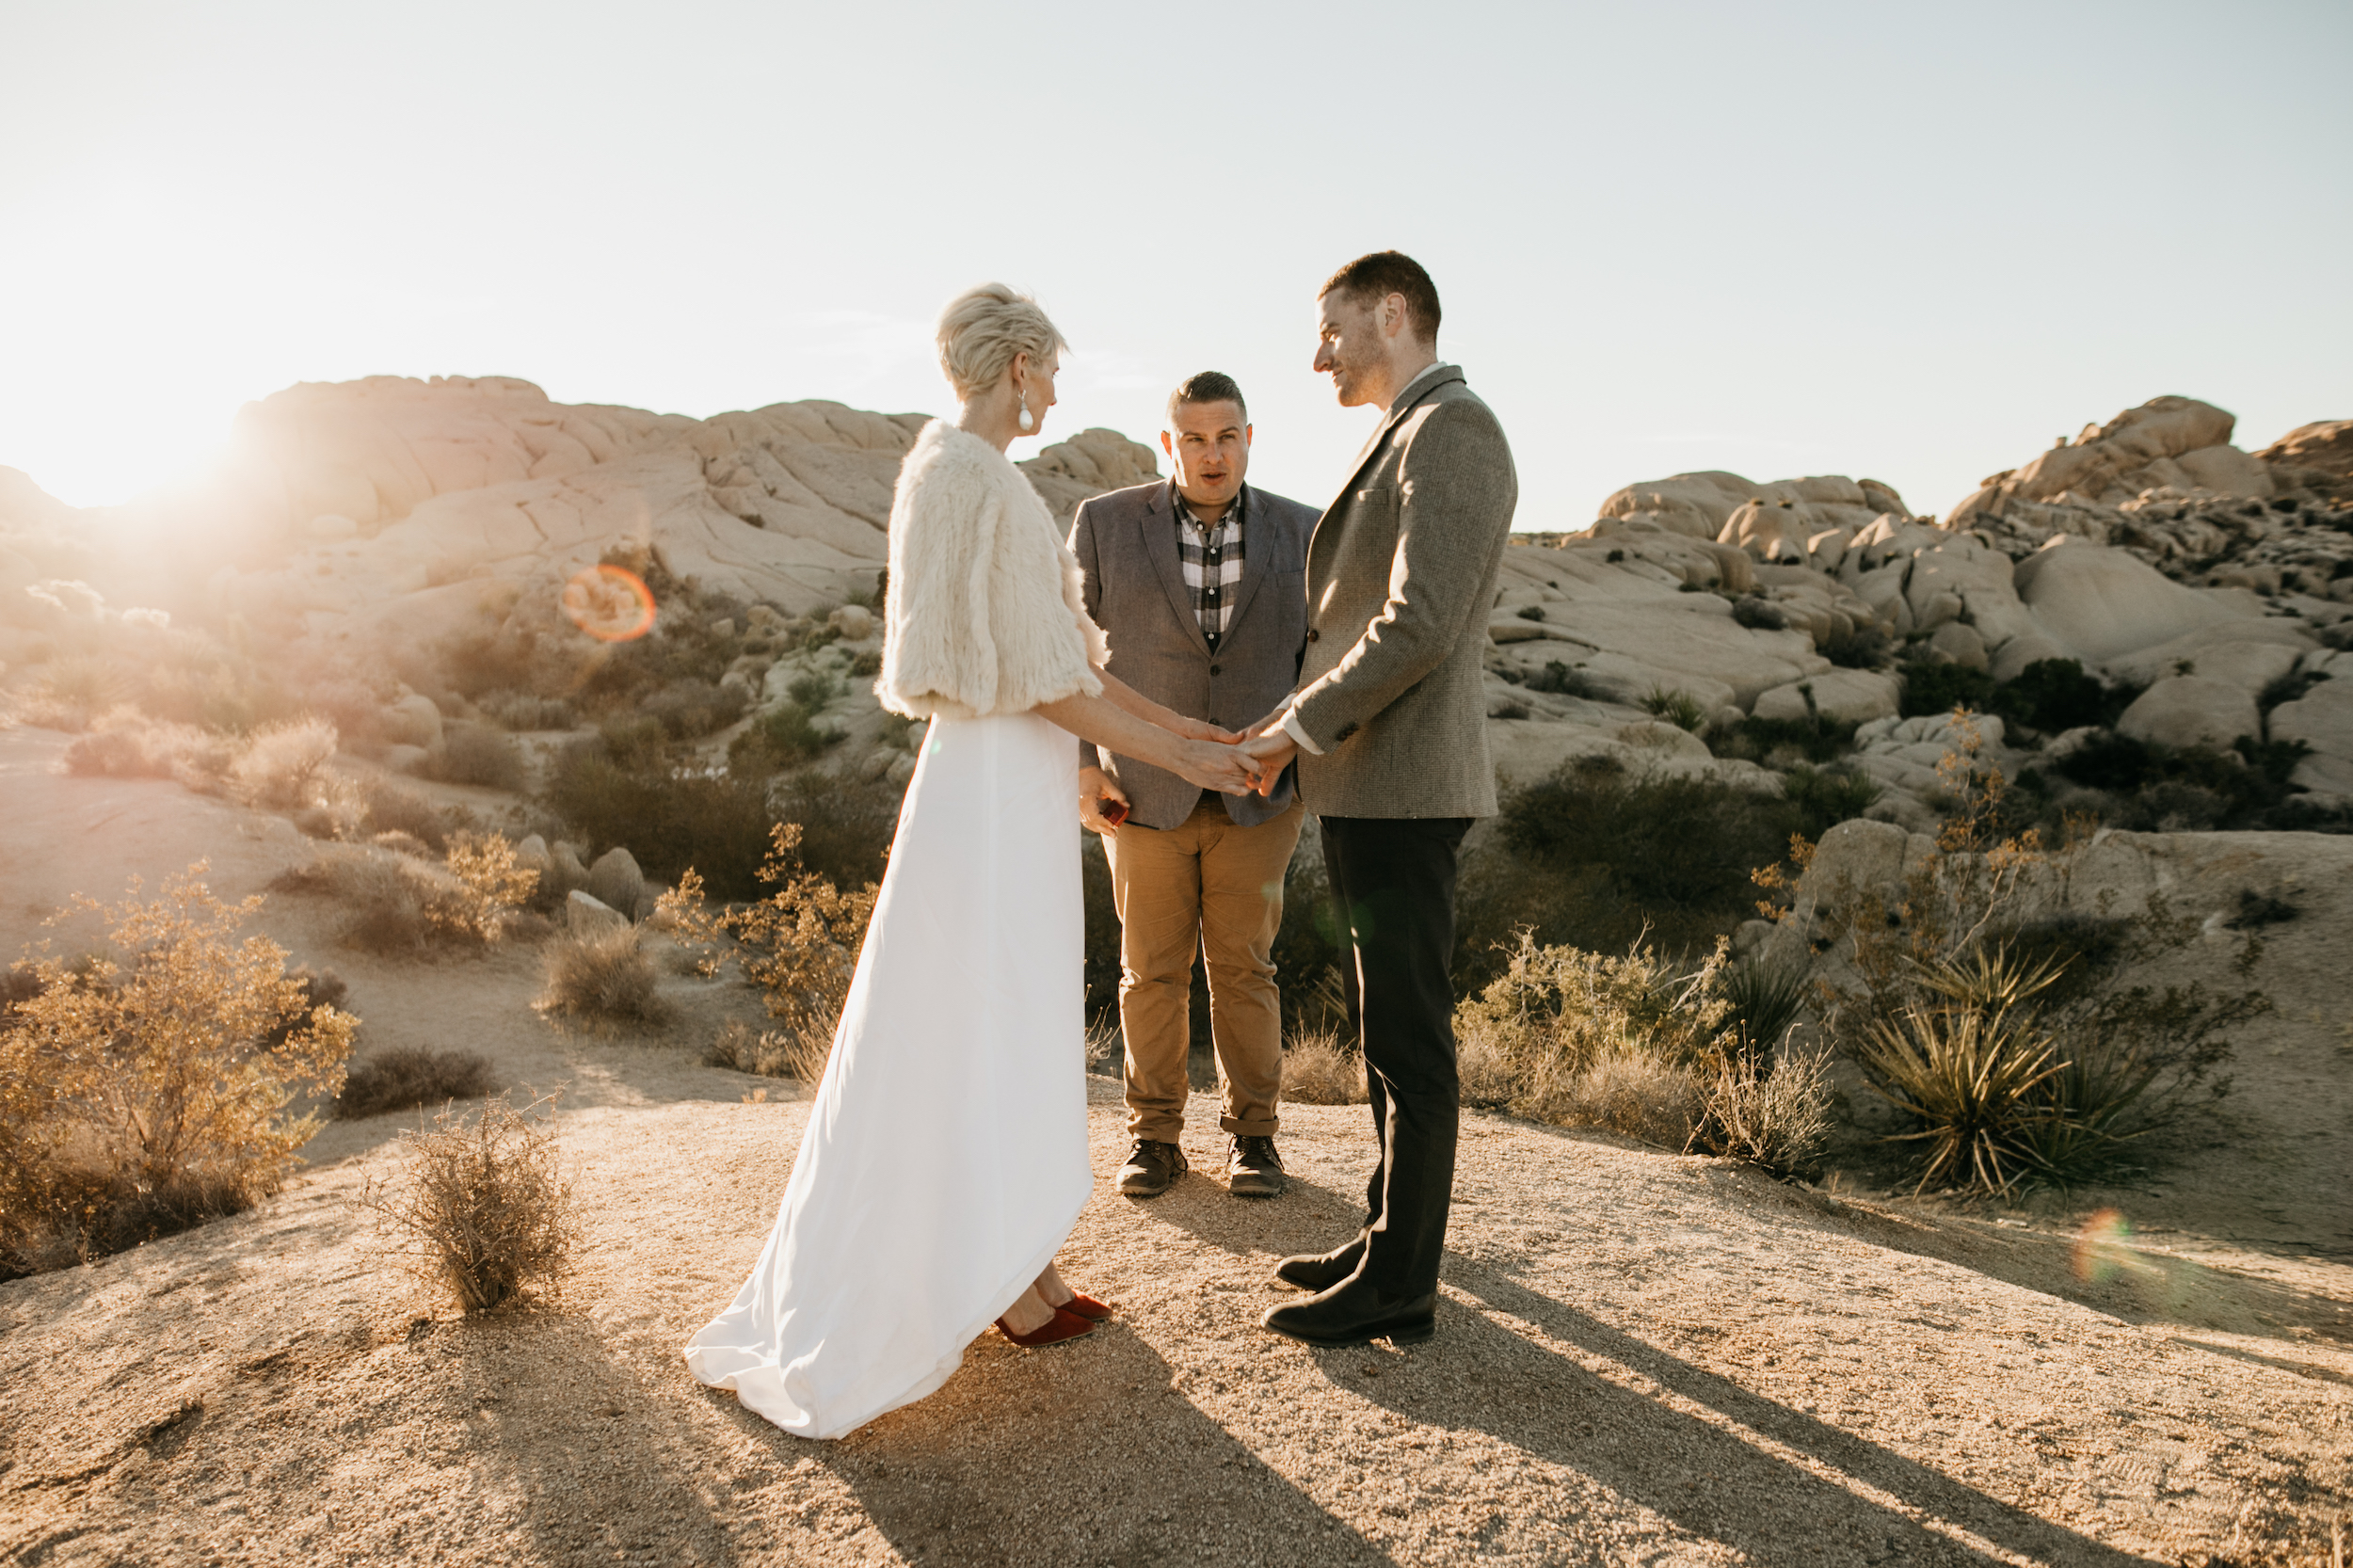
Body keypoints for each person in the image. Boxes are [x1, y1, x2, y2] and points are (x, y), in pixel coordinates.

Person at [683, 284, 1258, 1439]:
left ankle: (1017, 1269)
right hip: (997, 775)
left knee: (995, 1013)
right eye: (1048, 369)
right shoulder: (974, 478)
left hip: (1007, 771)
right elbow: (1047, 683)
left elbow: (1061, 669)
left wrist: (1189, 742)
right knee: (978, 1015)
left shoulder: (951, 469)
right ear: (1019, 364)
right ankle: (994, 1277)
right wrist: (1192, 751)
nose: (1055, 388)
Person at [1238, 251, 1518, 1349]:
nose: (1319, 356)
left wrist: (1296, 724)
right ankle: (1382, 1234)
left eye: (1333, 329)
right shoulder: (1409, 429)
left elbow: (1417, 625)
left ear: (1393, 313)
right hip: (1368, 784)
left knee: (1410, 1040)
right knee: (1382, 1032)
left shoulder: (1456, 429)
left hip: (1404, 786)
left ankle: (1402, 1282)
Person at [1069, 372, 1319, 1202]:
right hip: (1141, 789)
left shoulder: (1307, 531)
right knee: (1150, 970)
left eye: (1229, 437)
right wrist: (1080, 762)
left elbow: (1326, 663)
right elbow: (1070, 658)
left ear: (1251, 438)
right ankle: (1154, 1139)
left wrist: (1293, 746)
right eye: (1195, 439)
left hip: (1261, 787)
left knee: (1246, 969)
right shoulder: (1105, 525)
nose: (1213, 455)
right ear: (1168, 443)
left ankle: (1254, 1138)